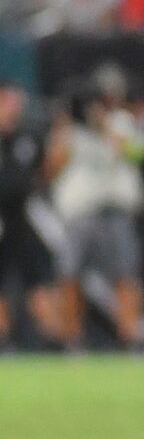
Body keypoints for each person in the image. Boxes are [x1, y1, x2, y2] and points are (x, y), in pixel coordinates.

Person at [48, 67, 144, 348]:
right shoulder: (68, 131)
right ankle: (73, 341)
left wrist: (104, 125)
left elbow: (139, 152)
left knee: (126, 276)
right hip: (80, 213)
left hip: (115, 211)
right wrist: (65, 130)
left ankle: (131, 339)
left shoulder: (120, 122)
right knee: (69, 275)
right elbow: (51, 168)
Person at [0, 82, 68, 348]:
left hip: (25, 216)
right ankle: (3, 342)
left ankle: (56, 342)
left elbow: (46, 173)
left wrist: (61, 136)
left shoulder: (29, 135)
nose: (15, 107)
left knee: (41, 279)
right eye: (9, 101)